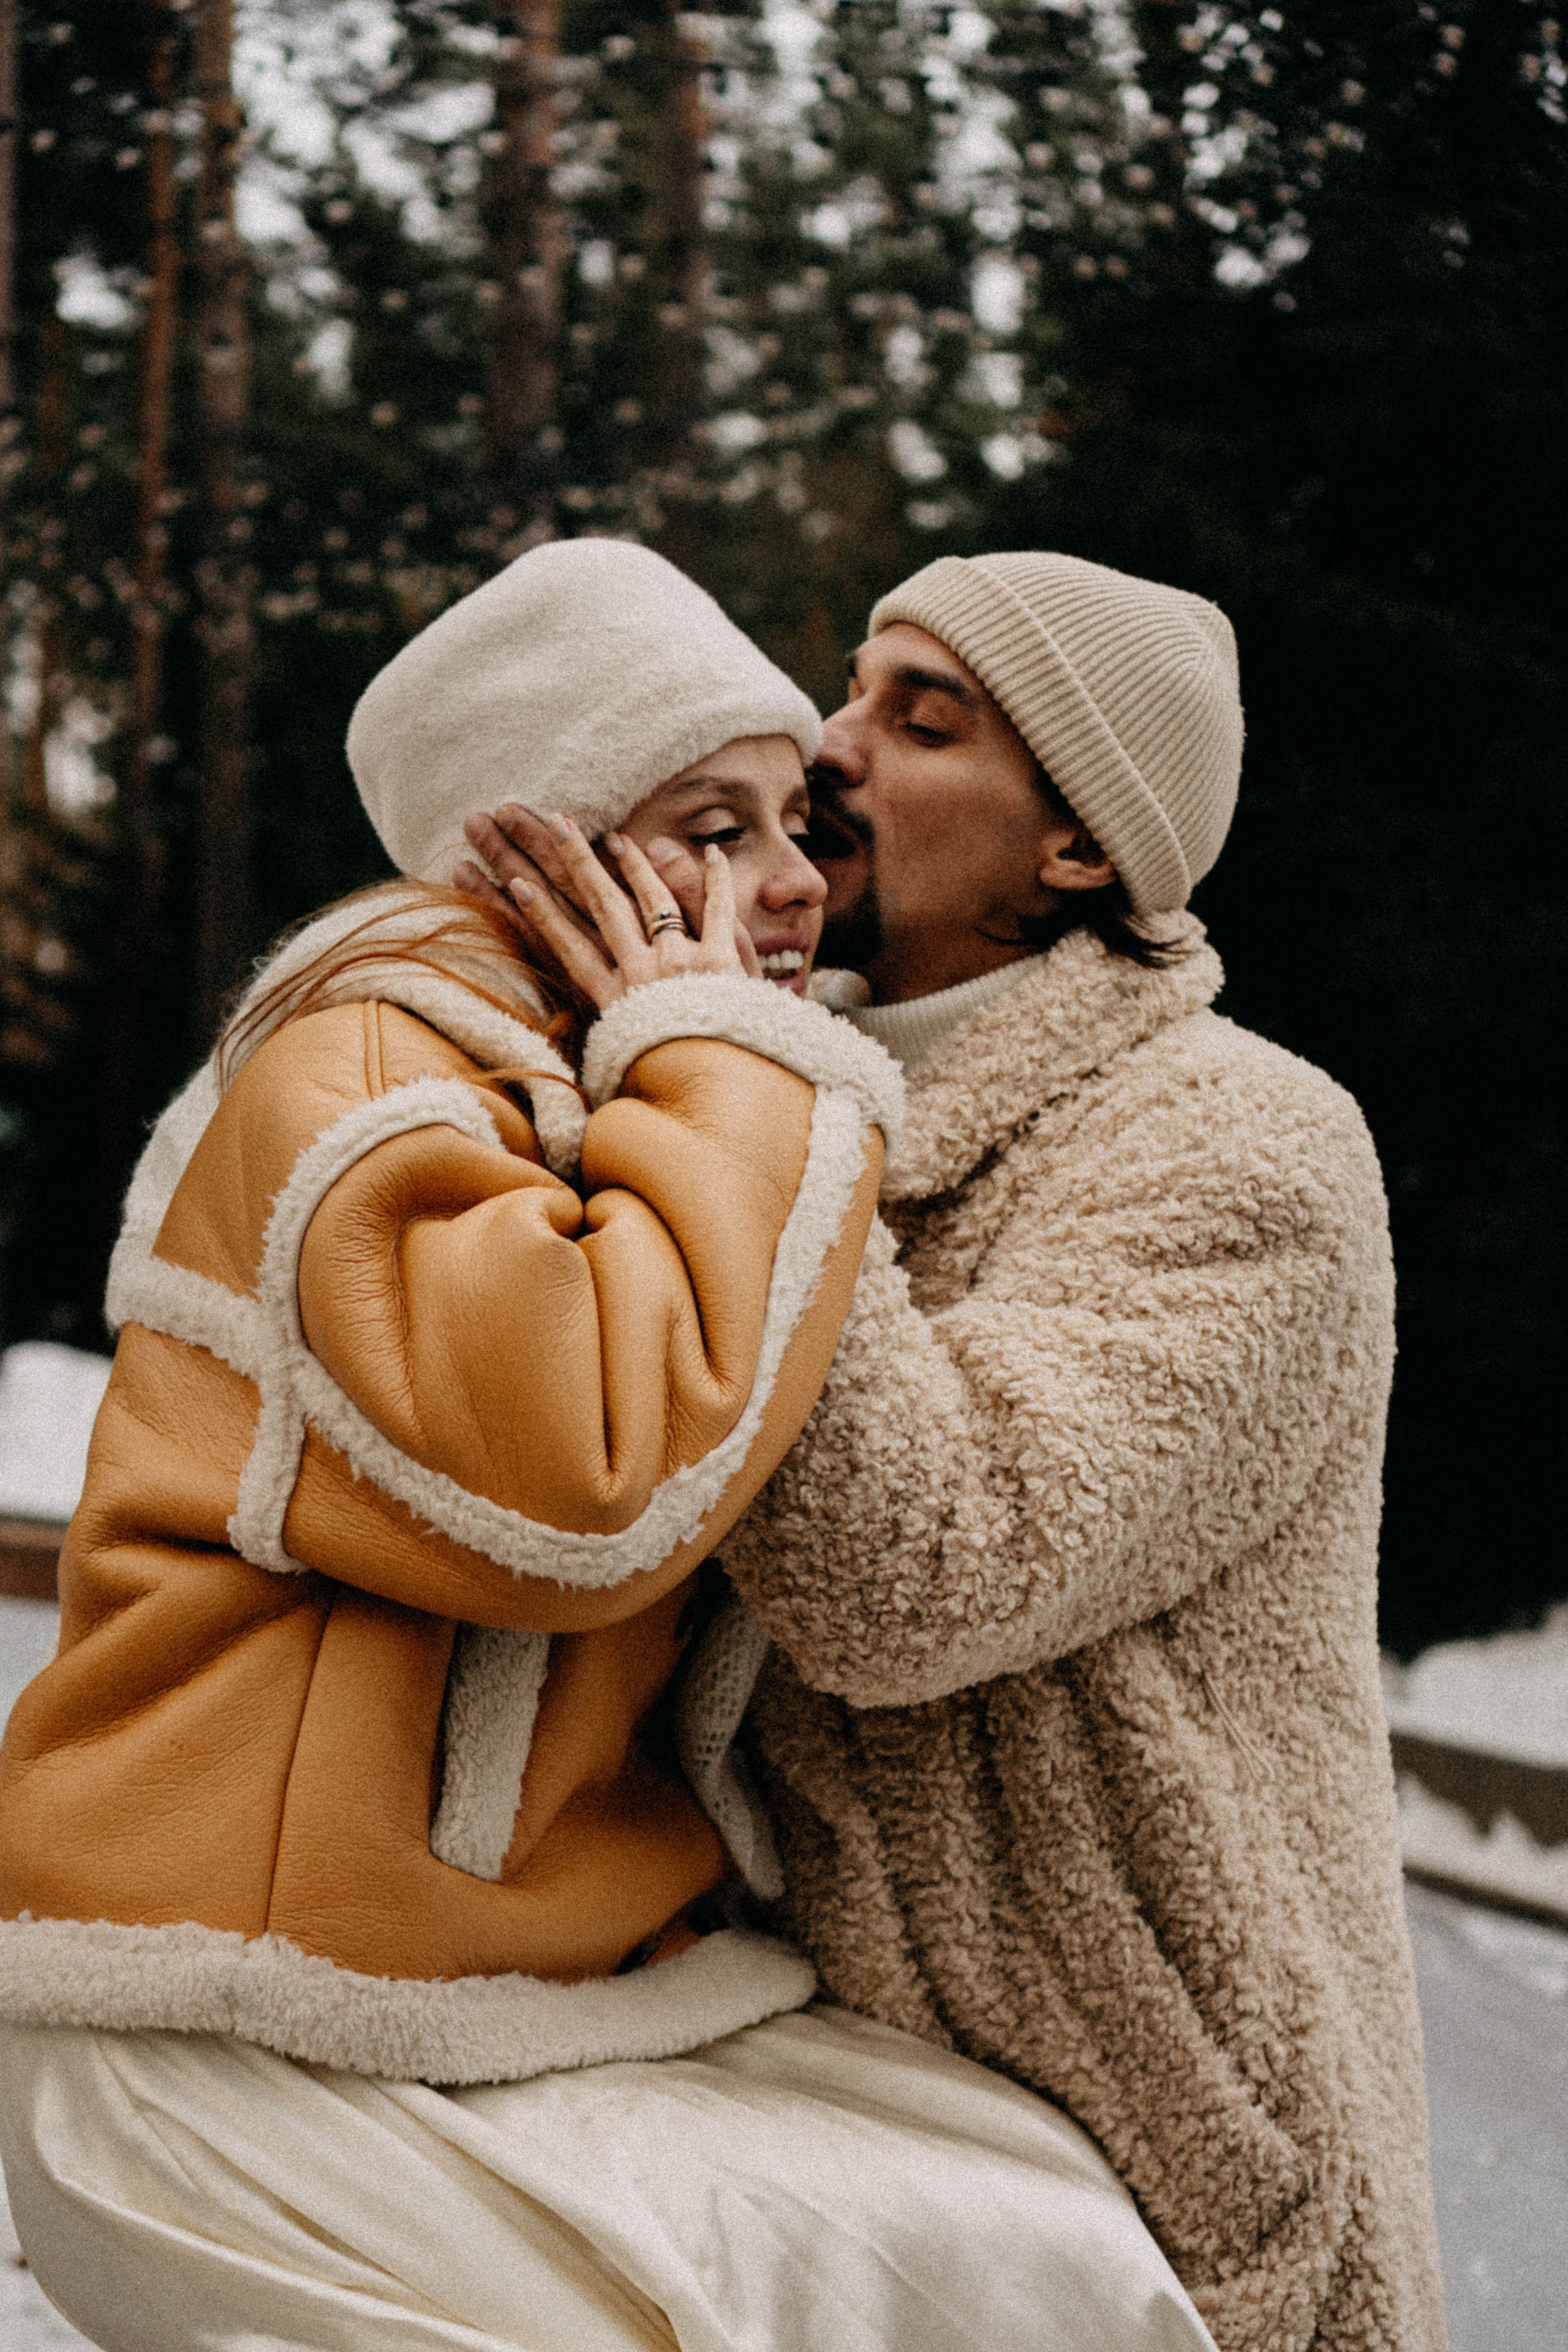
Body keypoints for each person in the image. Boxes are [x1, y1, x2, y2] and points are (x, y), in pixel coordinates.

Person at [0, 541, 1217, 2352]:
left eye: (790, 821)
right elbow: (579, 1478)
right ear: (529, 851)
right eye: (710, 829)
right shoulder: (371, 1071)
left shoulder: (585, 1079)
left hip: (473, 1998)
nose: (793, 879)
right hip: (236, 2026)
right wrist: (725, 1053)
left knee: (1045, 2241)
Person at [471, 549, 1448, 2352]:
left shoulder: (1248, 1146)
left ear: (1078, 849)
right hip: (807, 2064)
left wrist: (729, 1079)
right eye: (850, 686)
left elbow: (908, 1579)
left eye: (921, 720)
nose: (829, 746)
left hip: (1149, 2137)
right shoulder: (758, 1067)